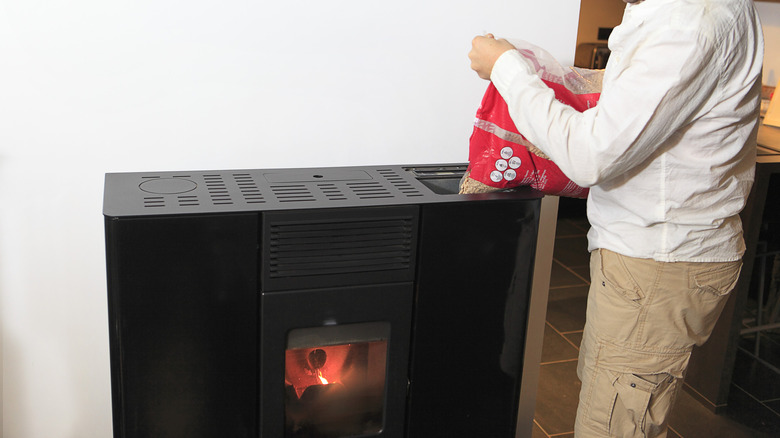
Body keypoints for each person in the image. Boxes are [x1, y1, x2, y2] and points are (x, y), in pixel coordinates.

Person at [468, 0, 764, 437]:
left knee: (611, 428)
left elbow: (590, 157)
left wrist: (509, 71)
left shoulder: (687, 22)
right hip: (649, 261)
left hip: (658, 264)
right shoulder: (681, 13)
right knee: (608, 407)